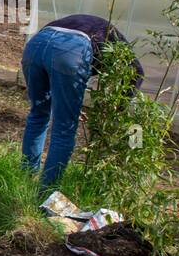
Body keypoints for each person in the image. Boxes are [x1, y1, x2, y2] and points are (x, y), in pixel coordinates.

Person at [21, 13, 144, 186]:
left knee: (38, 115)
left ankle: (25, 178)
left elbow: (51, 56)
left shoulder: (95, 27)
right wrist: (120, 108)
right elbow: (137, 72)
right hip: (71, 50)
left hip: (36, 45)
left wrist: (66, 101)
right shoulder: (119, 47)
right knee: (64, 127)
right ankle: (46, 191)